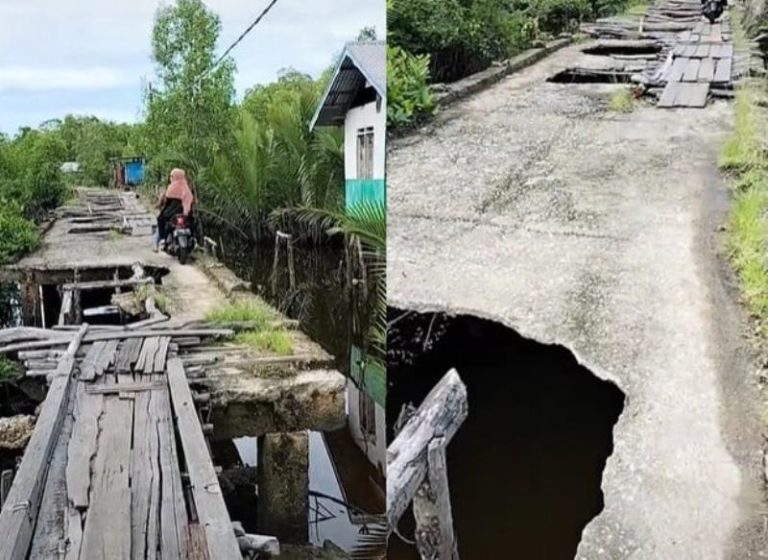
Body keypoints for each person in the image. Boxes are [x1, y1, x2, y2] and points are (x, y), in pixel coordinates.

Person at [154, 168, 194, 252]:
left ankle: (163, 238)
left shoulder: (171, 187)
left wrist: (160, 207)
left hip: (172, 212)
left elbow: (166, 201)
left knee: (160, 219)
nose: (171, 178)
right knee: (193, 223)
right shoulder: (186, 188)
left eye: (172, 176)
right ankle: (196, 241)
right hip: (186, 213)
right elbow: (190, 201)